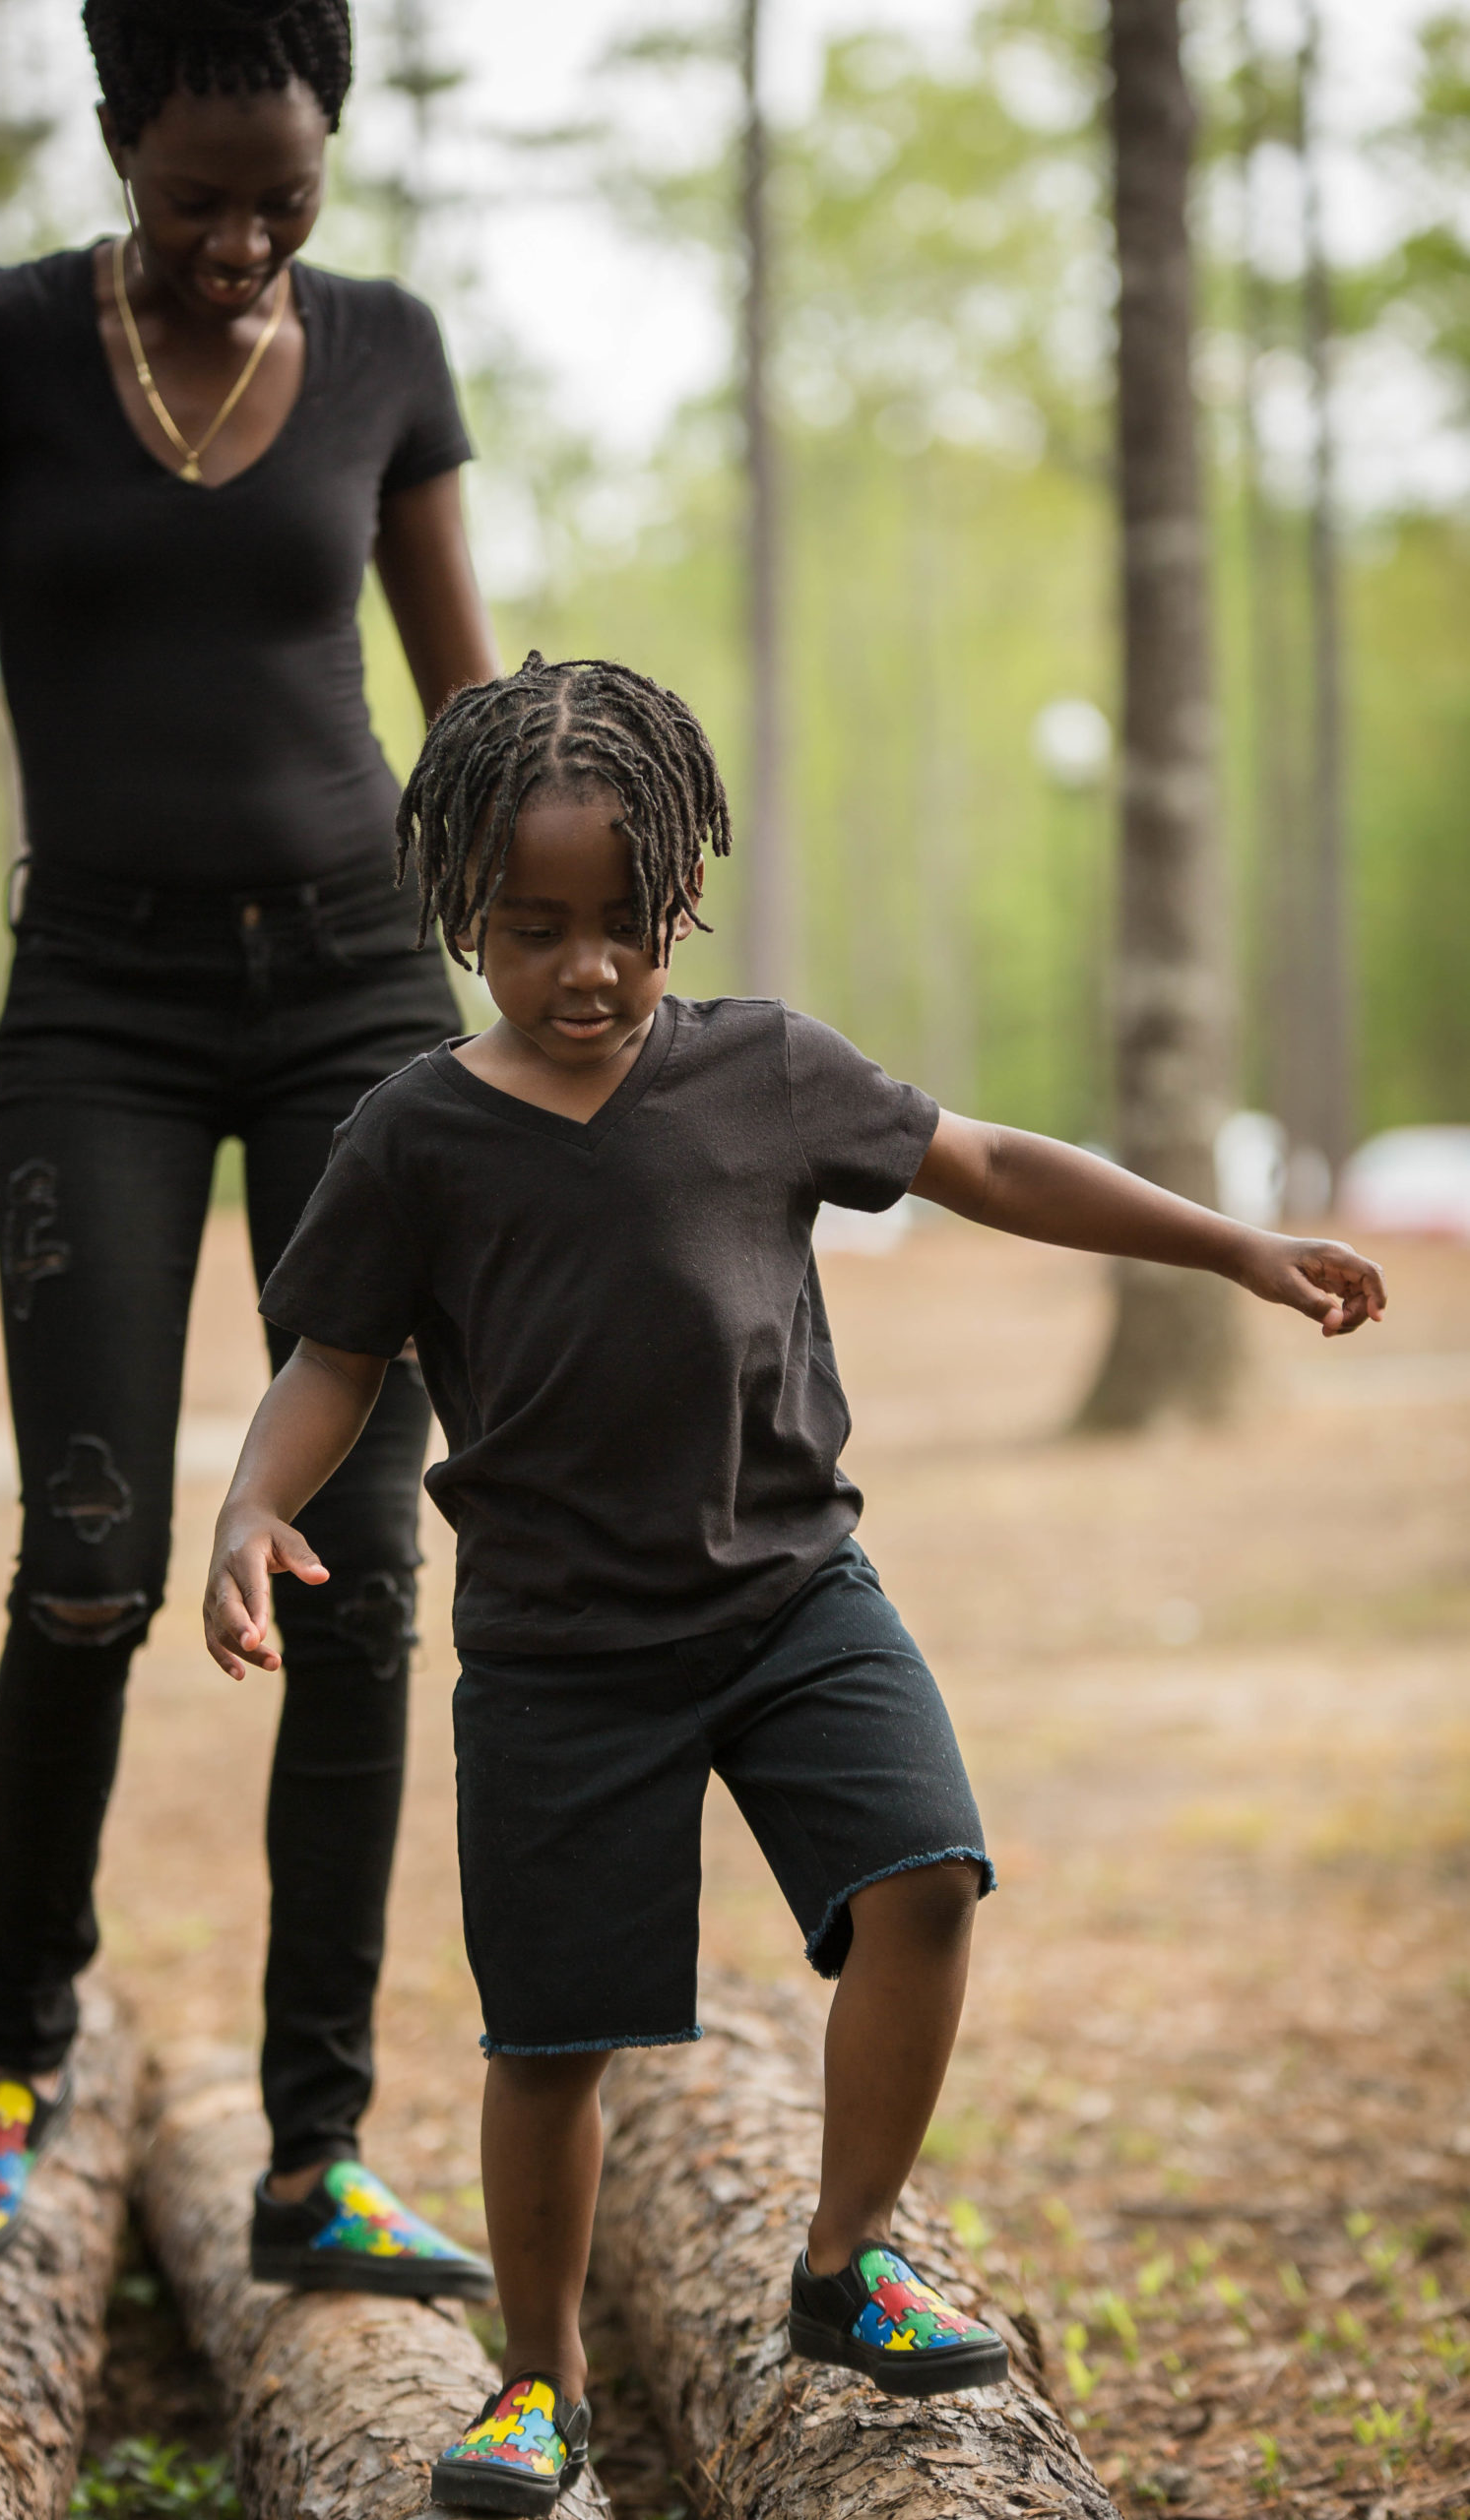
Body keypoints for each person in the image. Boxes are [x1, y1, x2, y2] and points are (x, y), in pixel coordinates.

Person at [205, 654, 1387, 2516]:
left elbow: (987, 1160)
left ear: (677, 903)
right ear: (465, 920)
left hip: (789, 1597)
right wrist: (246, 1511)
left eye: (619, 927)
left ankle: (847, 2265)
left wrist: (1232, 1246)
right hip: (558, 1657)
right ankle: (539, 2383)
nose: (582, 969)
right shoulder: (414, 1134)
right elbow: (336, 1361)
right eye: (530, 931)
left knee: (925, 1878)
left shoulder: (762, 1068)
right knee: (553, 2039)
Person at [0, 0, 501, 2293]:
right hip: (92, 998)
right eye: (194, 195)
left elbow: (470, 724)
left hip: (365, 1002)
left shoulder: (387, 345)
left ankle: (320, 2152)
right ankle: (15, 2063)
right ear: (115, 142)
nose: (238, 240)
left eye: (280, 197)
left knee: (363, 1578)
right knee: (84, 1559)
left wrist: (574, 1020)